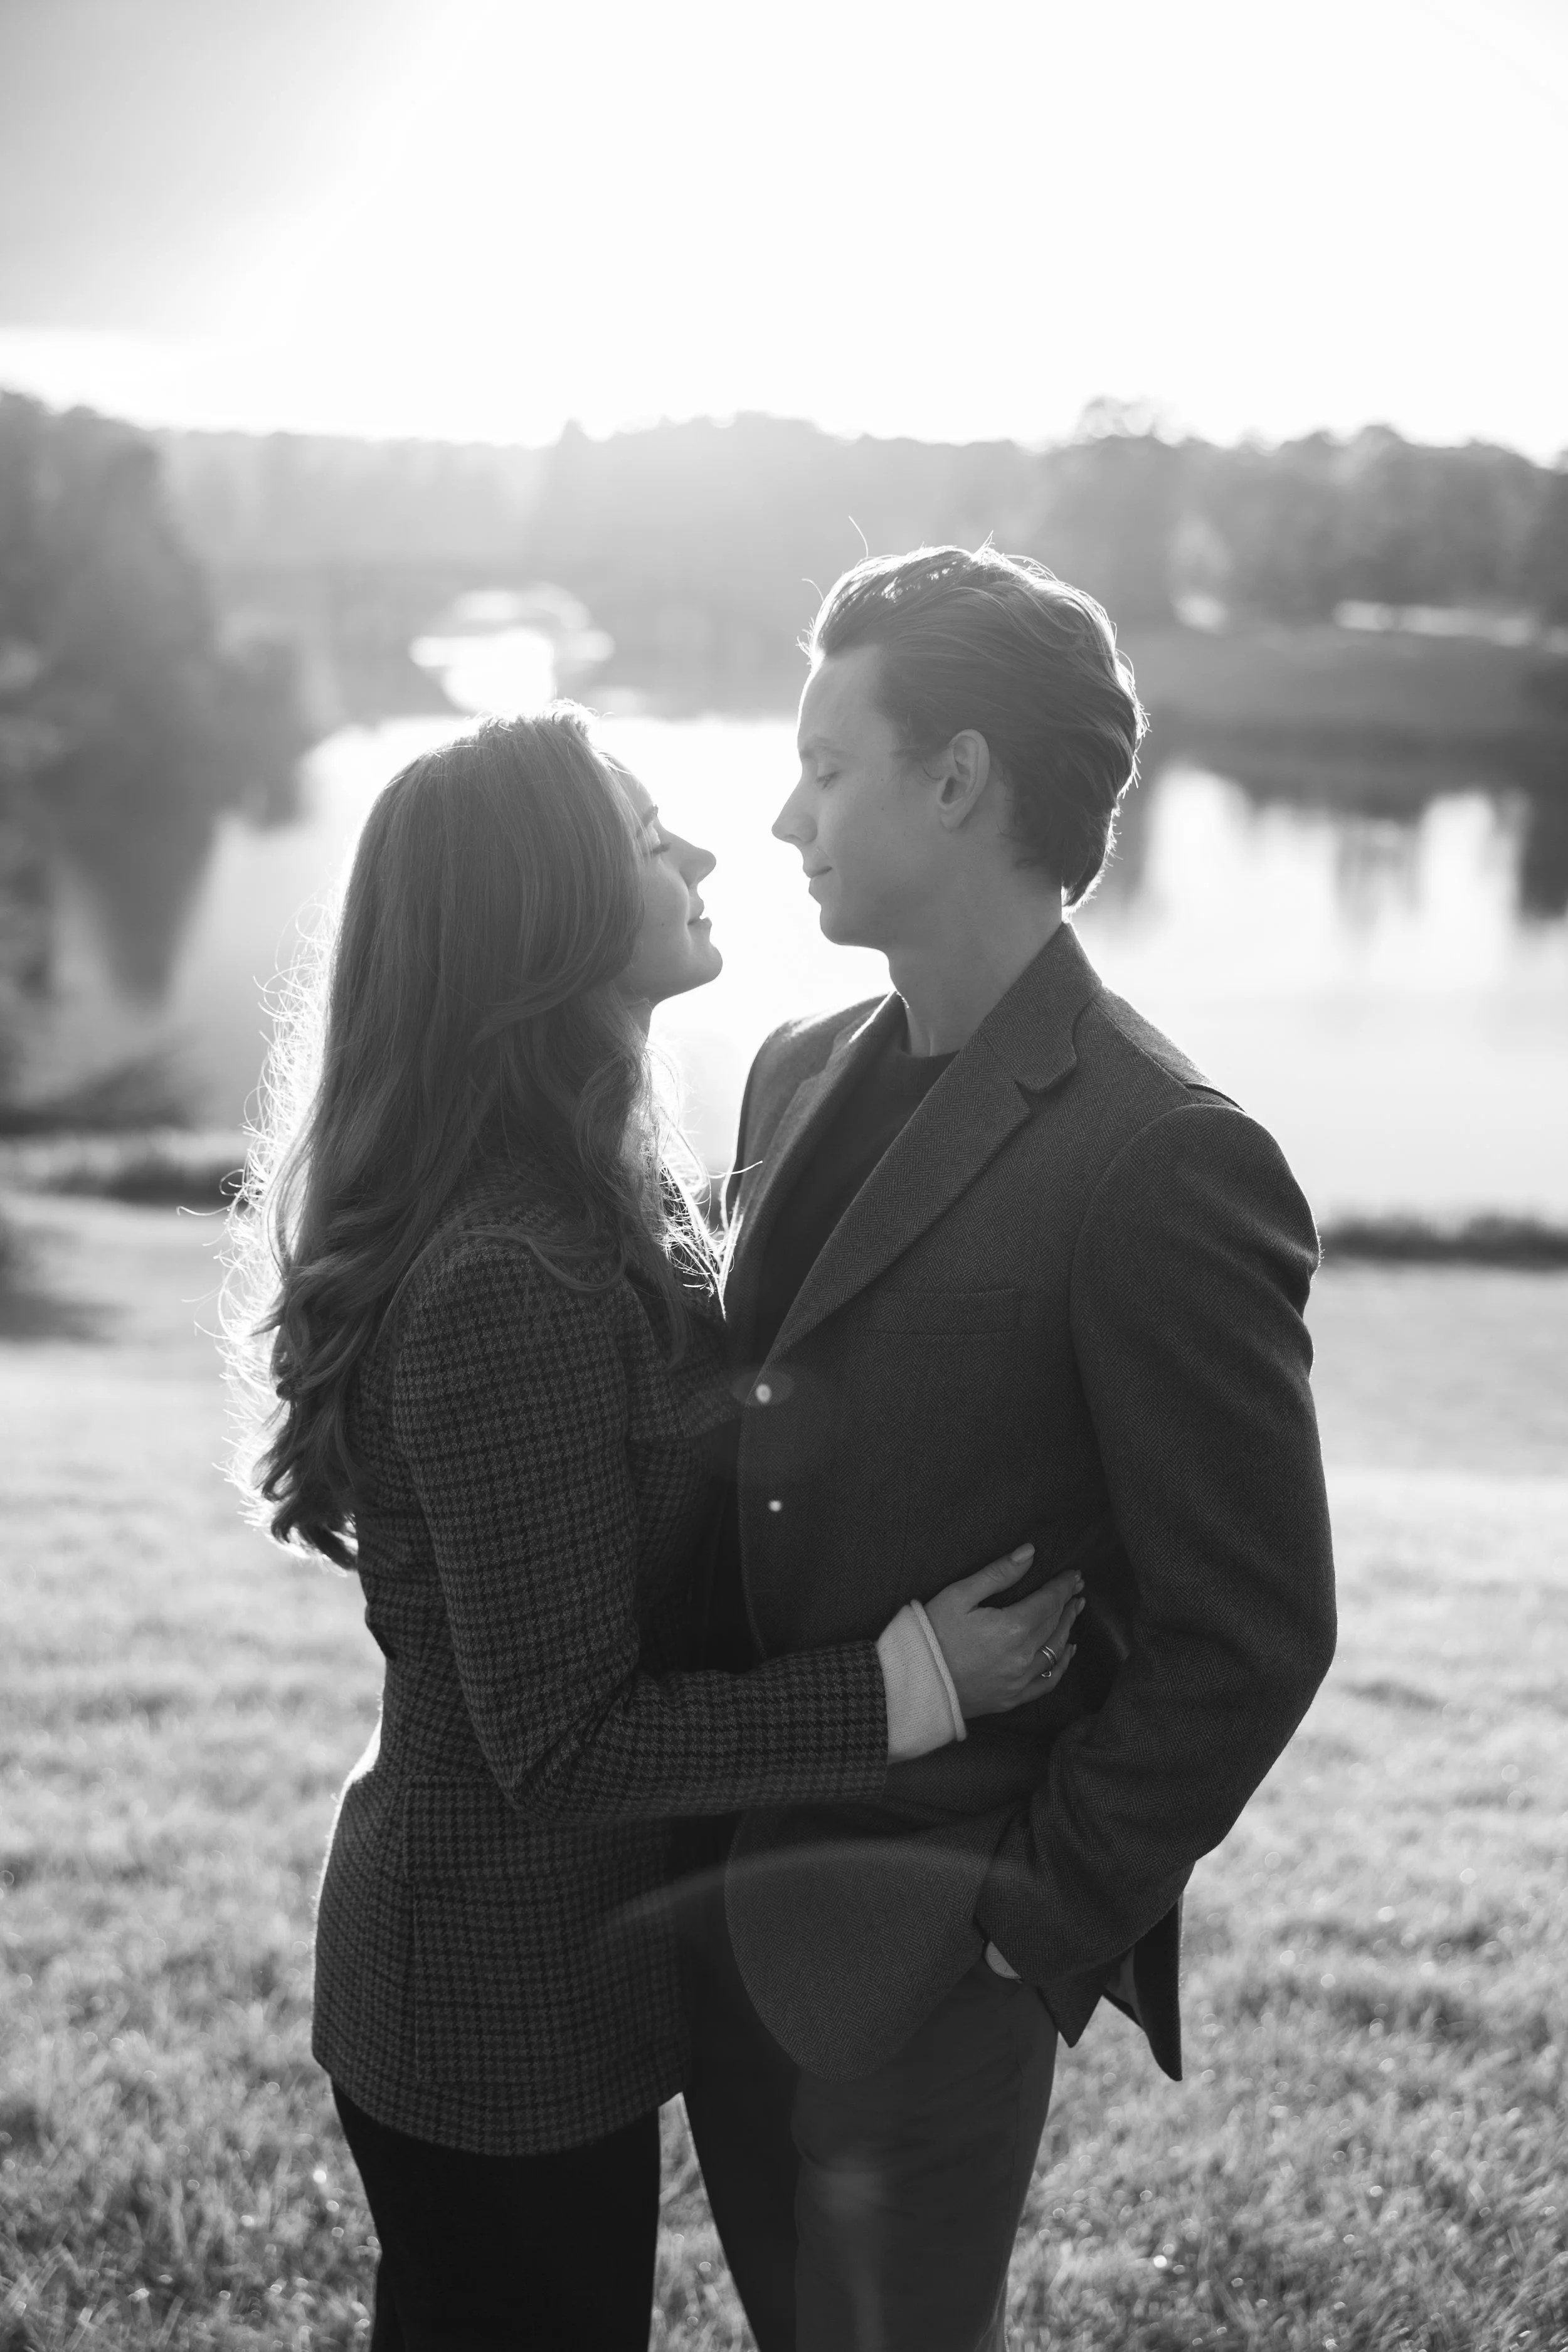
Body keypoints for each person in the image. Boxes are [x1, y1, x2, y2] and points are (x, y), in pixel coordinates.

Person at [223, 708, 1081, 2352]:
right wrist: (914, 1679)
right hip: (487, 1999)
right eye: (644, 835)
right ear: (539, 912)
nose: (700, 853)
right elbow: (564, 1741)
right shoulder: (504, 1284)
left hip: (562, 1975)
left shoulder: (592, 1187)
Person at [684, 547, 1338, 2351]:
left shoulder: (1162, 1155)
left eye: (828, 765)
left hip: (927, 1960)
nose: (782, 811)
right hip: (716, 1907)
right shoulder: (793, 1065)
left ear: (957, 777)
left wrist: (1031, 1915)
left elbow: (1253, 1622)